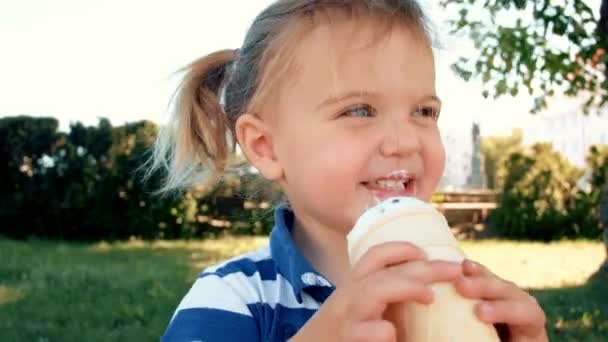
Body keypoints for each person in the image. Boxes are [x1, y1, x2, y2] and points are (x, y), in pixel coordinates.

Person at [152, 1, 548, 341]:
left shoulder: (465, 290)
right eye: (359, 111)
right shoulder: (233, 298)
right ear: (265, 146)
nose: (406, 141)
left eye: (424, 111)